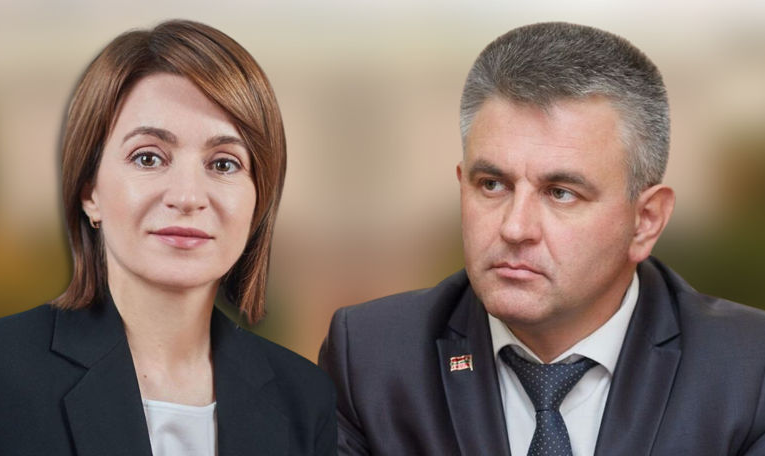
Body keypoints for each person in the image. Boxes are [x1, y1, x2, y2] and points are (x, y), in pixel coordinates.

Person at [319, 22, 765, 455]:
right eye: (492, 184)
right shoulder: (372, 358)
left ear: (646, 220)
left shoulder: (750, 372)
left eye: (560, 193)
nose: (515, 228)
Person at [0, 20, 336, 456]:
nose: (187, 197)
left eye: (224, 164)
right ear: (89, 191)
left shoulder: (305, 399)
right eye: (149, 158)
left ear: (258, 200)